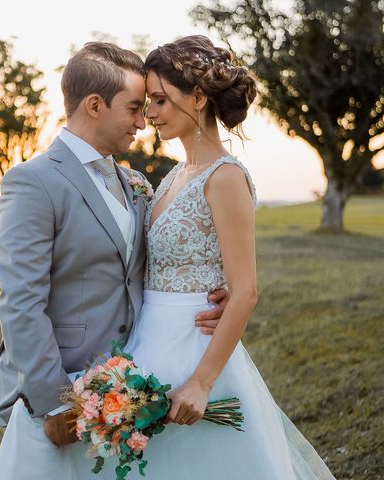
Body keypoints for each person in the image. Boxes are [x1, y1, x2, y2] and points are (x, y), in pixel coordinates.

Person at [0, 42, 228, 480]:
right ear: (94, 105)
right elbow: (20, 302)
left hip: (128, 389)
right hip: (60, 397)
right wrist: (55, 400)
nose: (142, 123)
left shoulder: (133, 183)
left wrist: (211, 295)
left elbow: (150, 263)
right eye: (133, 109)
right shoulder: (32, 182)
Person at [119, 35, 336, 479]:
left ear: (198, 98)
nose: (150, 114)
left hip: (195, 349)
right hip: (148, 342)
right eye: (147, 102)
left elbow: (246, 290)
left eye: (160, 100)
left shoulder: (225, 177)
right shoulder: (177, 173)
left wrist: (201, 383)